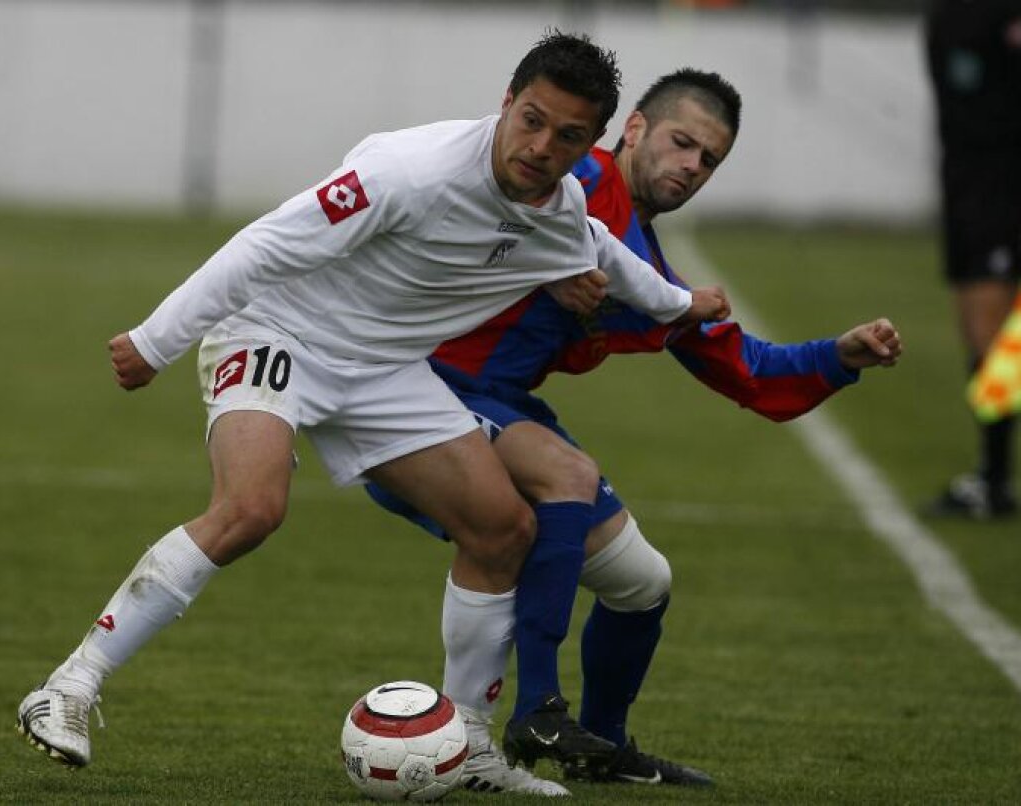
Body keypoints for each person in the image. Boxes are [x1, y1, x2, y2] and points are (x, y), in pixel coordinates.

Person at [15, 32, 732, 774]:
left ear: (594, 142)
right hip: (279, 332)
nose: (542, 146)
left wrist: (681, 303)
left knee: (502, 527)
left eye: (569, 136)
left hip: (384, 373)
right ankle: (69, 685)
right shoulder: (407, 171)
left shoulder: (559, 209)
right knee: (253, 508)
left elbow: (606, 255)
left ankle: (472, 748)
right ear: (506, 103)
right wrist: (157, 339)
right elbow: (263, 247)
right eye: (532, 119)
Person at [368, 68, 903, 795]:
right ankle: (530, 711)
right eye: (683, 142)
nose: (692, 166)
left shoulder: (649, 268)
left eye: (710, 160)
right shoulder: (567, 175)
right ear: (635, 129)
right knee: (556, 488)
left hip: (497, 402)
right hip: (419, 388)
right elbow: (472, 198)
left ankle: (601, 747)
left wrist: (839, 357)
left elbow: (747, 368)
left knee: (642, 582)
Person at [923, 0, 1021, 519]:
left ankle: (995, 478)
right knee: (978, 336)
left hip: (1002, 187)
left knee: (996, 340)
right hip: (965, 184)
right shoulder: (948, 13)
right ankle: (993, 475)